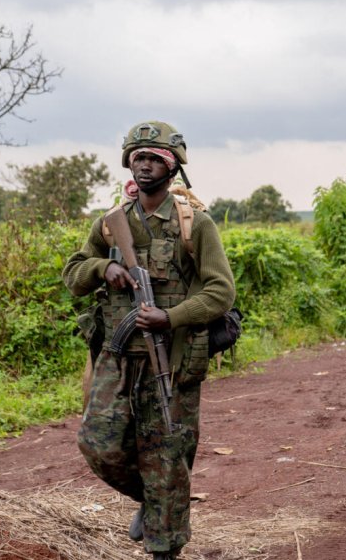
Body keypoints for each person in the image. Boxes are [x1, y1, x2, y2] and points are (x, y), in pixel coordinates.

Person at [62, 121, 236, 560]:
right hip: (118, 356)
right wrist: (103, 269)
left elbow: (220, 292)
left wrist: (170, 316)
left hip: (172, 361)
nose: (144, 163)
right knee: (97, 443)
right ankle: (155, 500)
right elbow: (73, 275)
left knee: (167, 456)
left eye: (155, 157)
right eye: (138, 156)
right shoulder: (110, 225)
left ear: (172, 168)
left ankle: (164, 545)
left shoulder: (195, 225)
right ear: (128, 162)